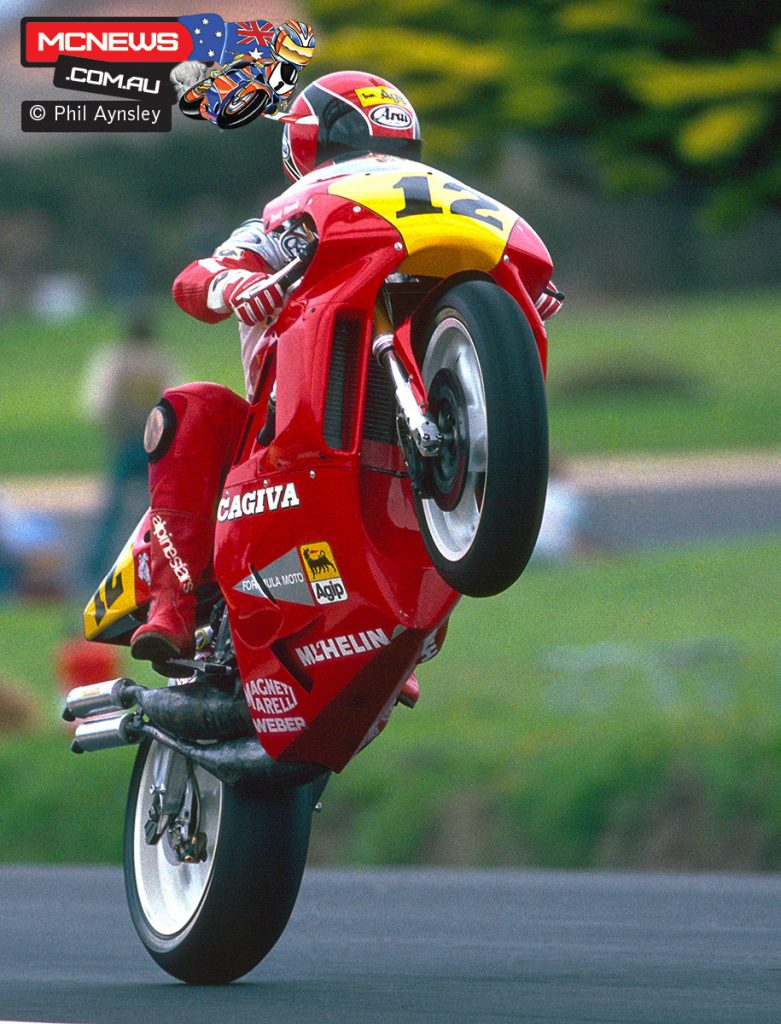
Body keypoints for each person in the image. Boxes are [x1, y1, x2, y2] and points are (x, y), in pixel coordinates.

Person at [130, 70, 563, 663]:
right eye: (357, 152)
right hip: (269, 436)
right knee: (188, 407)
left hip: (385, 434)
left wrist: (518, 304)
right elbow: (194, 279)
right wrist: (234, 284)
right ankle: (171, 603)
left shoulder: (431, 225)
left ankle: (400, 631)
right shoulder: (282, 227)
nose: (374, 165)